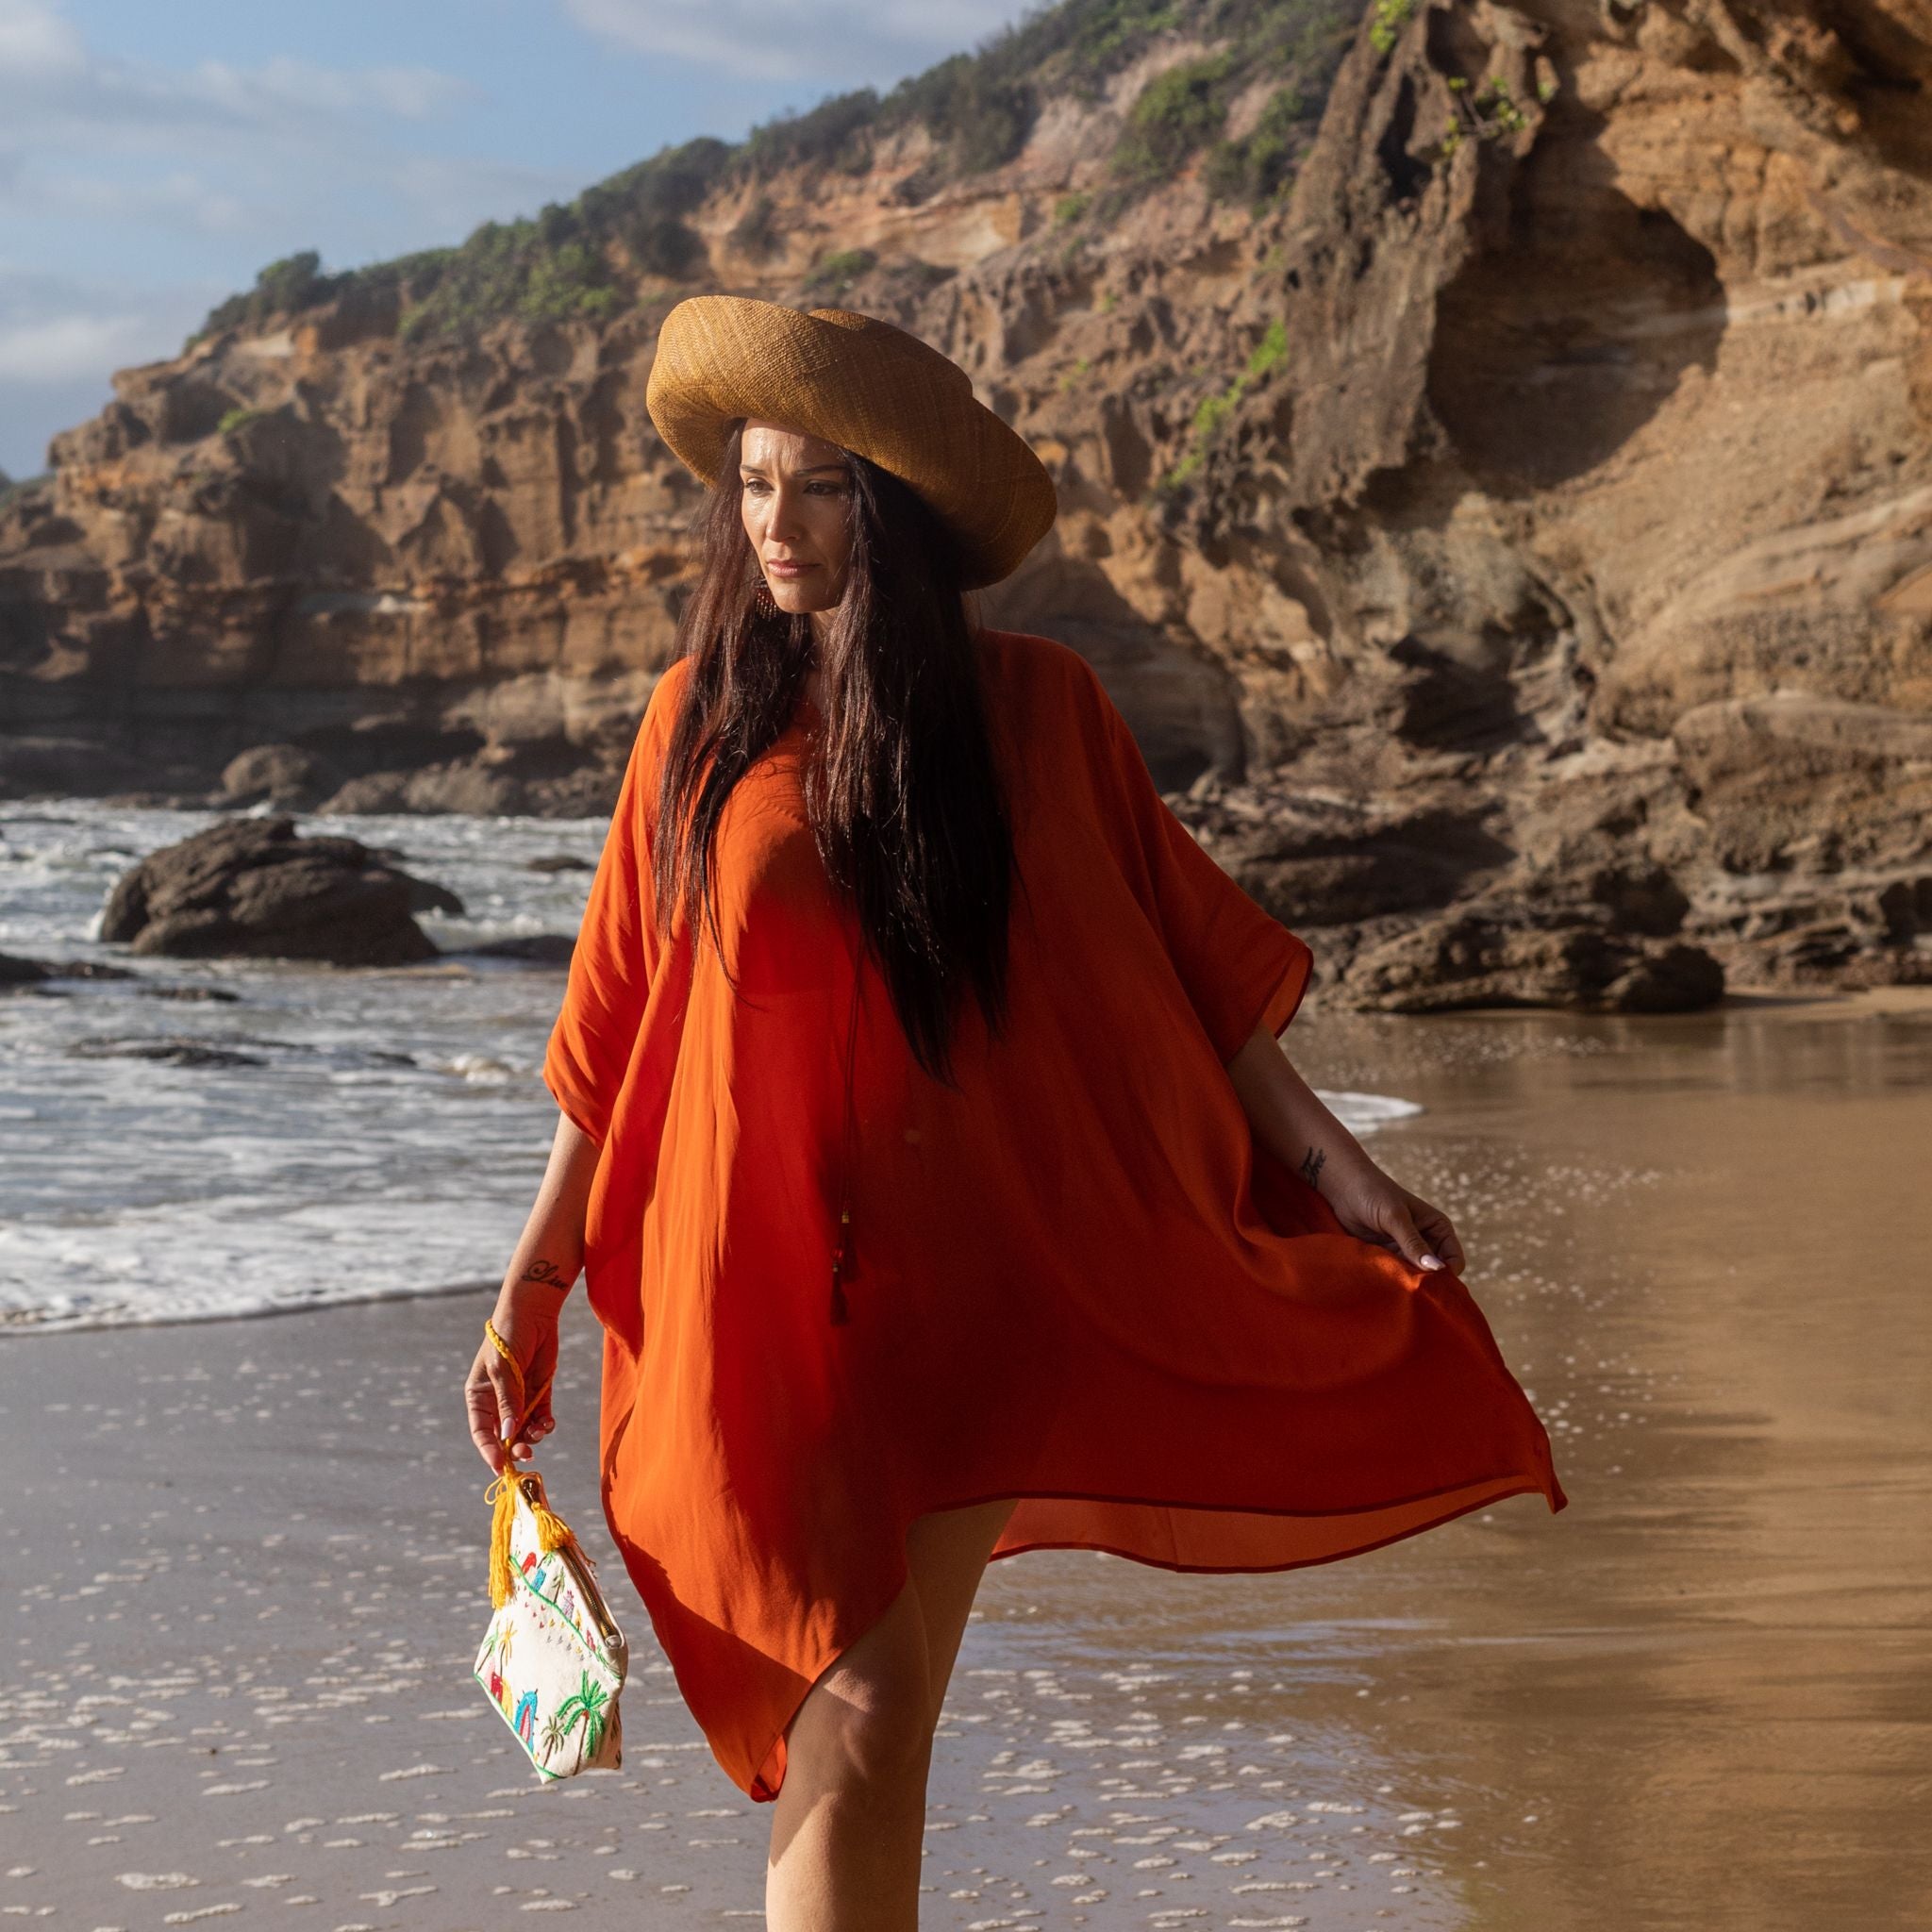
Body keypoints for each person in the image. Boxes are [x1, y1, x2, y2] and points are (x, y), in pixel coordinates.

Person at [465, 296, 1567, 1931]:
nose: (775, 524)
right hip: (752, 1291)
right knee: (850, 1707)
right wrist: (534, 1284)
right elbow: (610, 1027)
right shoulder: (696, 717)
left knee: (885, 1726)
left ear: (894, 510)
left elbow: (1178, 964)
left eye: (819, 488)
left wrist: (1342, 1175)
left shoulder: (1037, 710)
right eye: (754, 483)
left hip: (973, 1285)